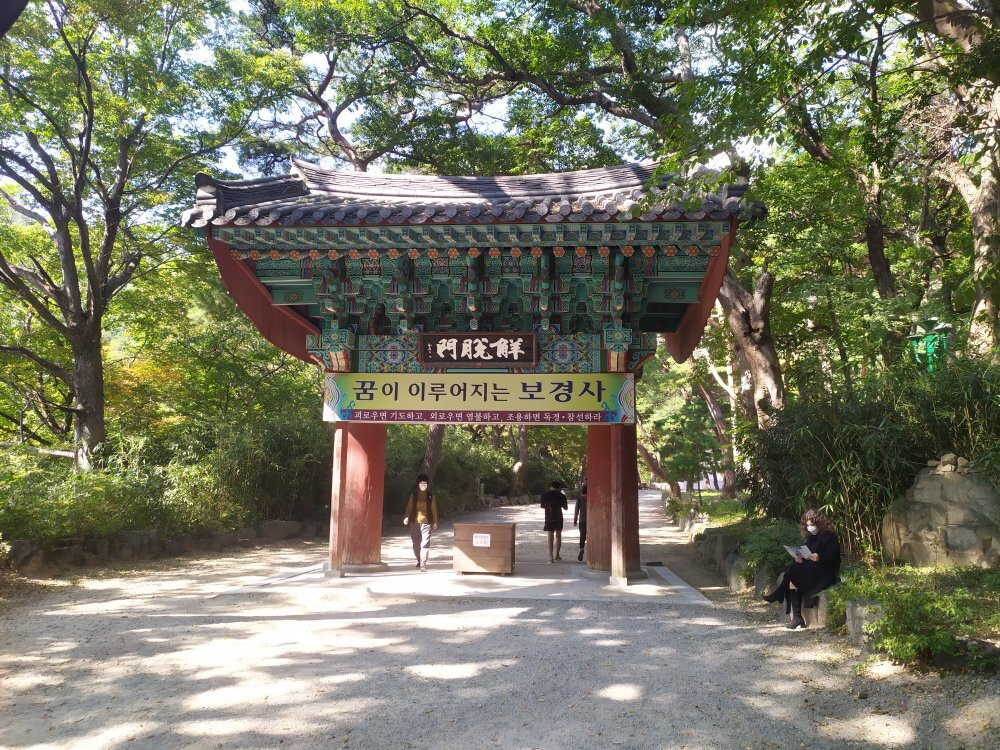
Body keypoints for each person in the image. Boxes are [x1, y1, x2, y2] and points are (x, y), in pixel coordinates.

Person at [763, 509, 842, 629]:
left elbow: (834, 557)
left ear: (819, 523)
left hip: (825, 571)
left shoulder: (830, 536)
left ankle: (779, 596)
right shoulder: (810, 538)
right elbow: (806, 554)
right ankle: (797, 618)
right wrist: (799, 558)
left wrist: (820, 558)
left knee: (793, 573)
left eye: (812, 525)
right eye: (808, 525)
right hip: (811, 569)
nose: (810, 528)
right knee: (793, 573)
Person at [403, 473, 438, 571]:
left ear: (427, 484)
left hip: (427, 522)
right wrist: (406, 517)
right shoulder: (414, 495)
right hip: (414, 521)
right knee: (416, 543)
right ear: (418, 484)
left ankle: (423, 562)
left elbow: (434, 508)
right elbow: (409, 507)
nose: (423, 485)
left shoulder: (430, 495)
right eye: (421, 484)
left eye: (425, 484)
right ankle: (419, 559)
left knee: (425, 542)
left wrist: (435, 521)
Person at [540, 480, 569, 563]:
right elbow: (566, 508)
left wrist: (549, 506)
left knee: (550, 537)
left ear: (551, 486)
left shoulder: (545, 495)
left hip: (549, 517)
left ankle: (550, 557)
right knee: (558, 536)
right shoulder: (562, 496)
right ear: (559, 487)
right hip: (558, 517)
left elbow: (542, 506)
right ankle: (557, 555)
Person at [574, 483, 588, 561]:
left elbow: (576, 511)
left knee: (582, 536)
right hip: (591, 521)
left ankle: (581, 548)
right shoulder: (592, 498)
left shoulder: (579, 499)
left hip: (582, 521)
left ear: (581, 492)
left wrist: (575, 520)